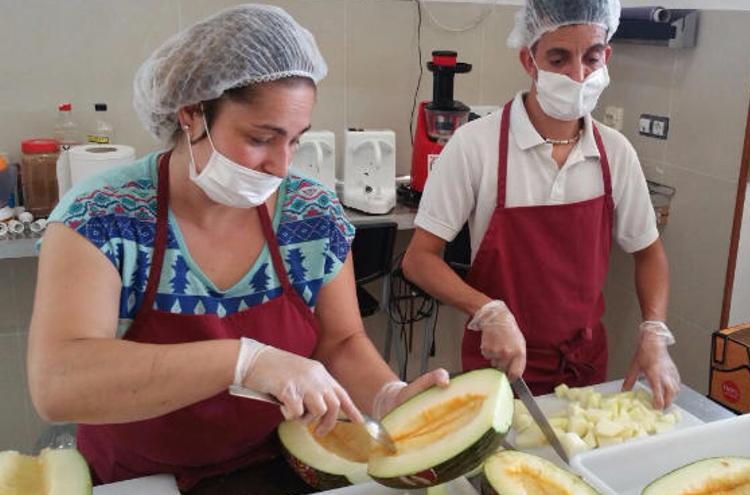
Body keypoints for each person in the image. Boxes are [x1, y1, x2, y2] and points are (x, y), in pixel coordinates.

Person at [27, 4, 446, 492]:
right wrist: (245, 361)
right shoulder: (103, 216)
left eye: (295, 140)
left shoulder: (311, 215)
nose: (282, 165)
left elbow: (342, 341)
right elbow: (58, 384)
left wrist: (386, 397)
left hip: (280, 465)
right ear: (190, 112)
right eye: (261, 138)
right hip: (140, 477)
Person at [403, 0, 680, 408]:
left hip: (583, 368)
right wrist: (488, 310)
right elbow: (419, 259)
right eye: (558, 57)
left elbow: (649, 254)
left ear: (608, 55)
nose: (578, 74)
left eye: (591, 57)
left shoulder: (614, 153)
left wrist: (654, 330)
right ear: (528, 60)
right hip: (500, 367)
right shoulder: (476, 146)